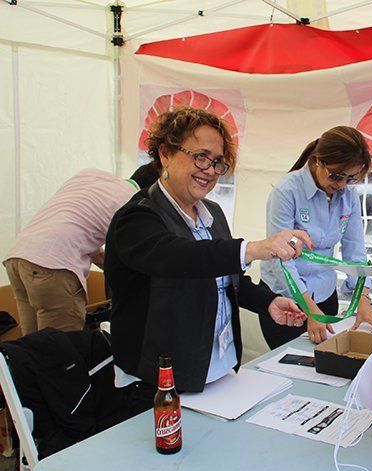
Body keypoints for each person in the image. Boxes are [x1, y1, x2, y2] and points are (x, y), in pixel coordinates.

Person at [105, 107, 312, 414]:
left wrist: (268, 302)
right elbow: (177, 259)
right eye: (200, 156)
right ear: (165, 154)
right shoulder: (137, 218)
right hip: (161, 386)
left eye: (218, 162)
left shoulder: (211, 213)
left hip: (218, 373)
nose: (210, 170)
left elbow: (227, 277)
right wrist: (254, 248)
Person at [259, 126, 372, 349]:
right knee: (289, 367)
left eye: (351, 178)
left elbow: (355, 250)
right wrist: (308, 309)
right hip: (286, 299)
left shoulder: (348, 195)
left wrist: (363, 299)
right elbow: (281, 260)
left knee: (325, 367)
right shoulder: (286, 192)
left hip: (325, 295)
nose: (342, 185)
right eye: (336, 175)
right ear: (317, 160)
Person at [3, 168, 156, 335]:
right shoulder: (132, 201)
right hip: (54, 266)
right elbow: (128, 256)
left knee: (31, 346)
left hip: (19, 257)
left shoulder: (90, 176)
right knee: (62, 349)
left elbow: (80, 229)